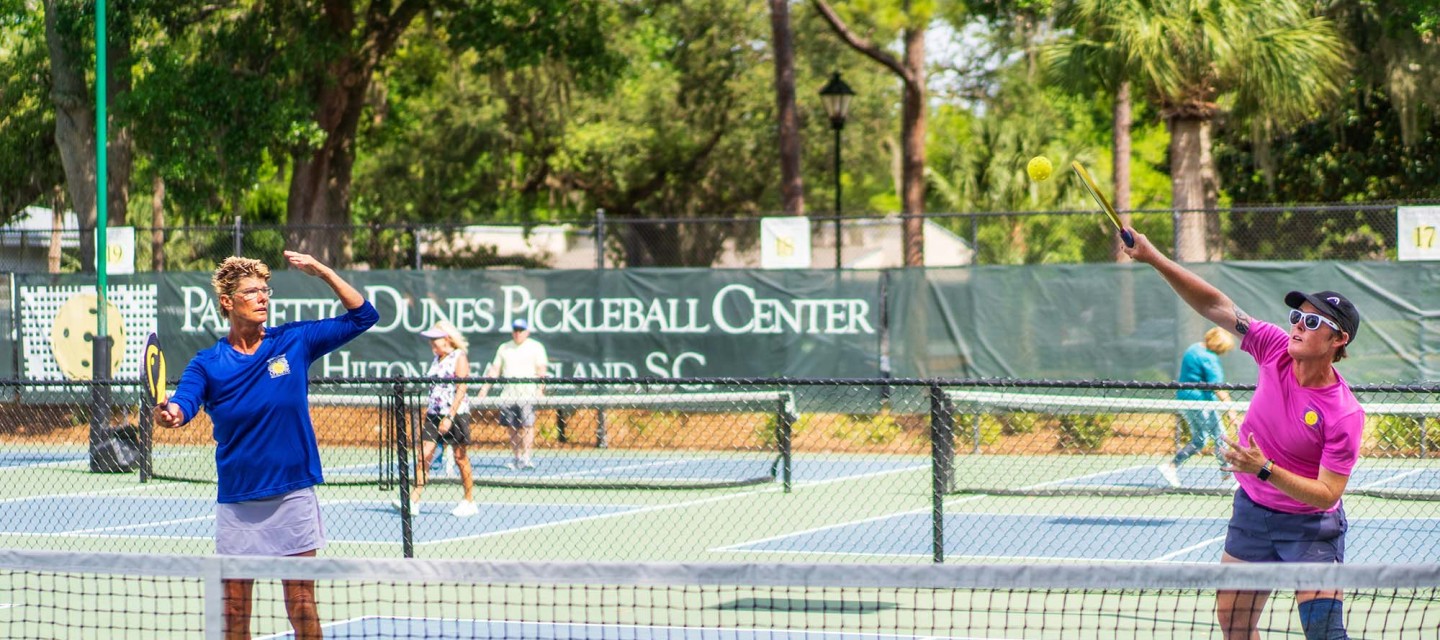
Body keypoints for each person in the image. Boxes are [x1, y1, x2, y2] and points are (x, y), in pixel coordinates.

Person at [1125, 230, 1363, 640]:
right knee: (1234, 625)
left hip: (1310, 527)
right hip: (1253, 514)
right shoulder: (1273, 347)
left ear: (1338, 339)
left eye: (1311, 321)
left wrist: (1265, 468)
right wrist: (1153, 257)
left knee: (1324, 633)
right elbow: (1216, 305)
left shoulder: (1343, 413)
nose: (1298, 327)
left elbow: (1327, 494)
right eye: (1296, 317)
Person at [155, 252, 378, 640]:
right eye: (251, 292)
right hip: (239, 502)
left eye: (265, 290)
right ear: (228, 302)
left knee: (301, 603)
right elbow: (185, 401)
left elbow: (364, 316)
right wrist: (173, 412)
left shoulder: (294, 341)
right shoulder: (207, 363)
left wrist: (322, 271)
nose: (263, 298)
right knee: (235, 609)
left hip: (292, 496)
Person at [406, 320, 476, 517]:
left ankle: (469, 500)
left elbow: (461, 387)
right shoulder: (436, 359)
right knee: (423, 456)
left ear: (446, 339)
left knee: (460, 458)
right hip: (433, 414)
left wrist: (450, 416)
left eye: (434, 340)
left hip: (456, 414)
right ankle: (414, 499)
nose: (431, 345)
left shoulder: (458, 357)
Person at [1157, 327, 1240, 487]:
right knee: (1220, 436)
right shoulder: (1209, 358)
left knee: (1200, 439)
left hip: (1184, 399)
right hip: (1202, 402)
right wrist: (1232, 412)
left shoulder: (1193, 348)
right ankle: (1226, 473)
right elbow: (1219, 388)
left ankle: (1172, 466)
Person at [478, 318, 548, 470]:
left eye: (521, 330)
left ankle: (526, 457)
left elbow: (541, 370)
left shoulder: (536, 347)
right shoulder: (504, 348)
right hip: (508, 395)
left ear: (527, 332)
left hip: (527, 394)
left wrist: (539, 390)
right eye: (515, 330)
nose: (518, 333)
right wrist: (484, 390)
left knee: (527, 426)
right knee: (512, 427)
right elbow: (495, 369)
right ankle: (517, 457)